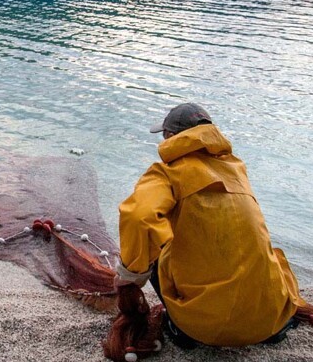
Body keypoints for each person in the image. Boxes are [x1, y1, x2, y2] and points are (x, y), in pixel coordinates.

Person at [116, 103, 302, 348]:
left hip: (204, 329)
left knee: (155, 245)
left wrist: (130, 278)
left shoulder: (167, 173)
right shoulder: (237, 170)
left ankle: (181, 326)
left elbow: (139, 217)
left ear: (171, 137)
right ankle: (255, 317)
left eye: (163, 135)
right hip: (270, 321)